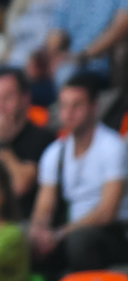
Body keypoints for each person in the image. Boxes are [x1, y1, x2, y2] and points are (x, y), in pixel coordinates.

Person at [29, 73, 128, 277]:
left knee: (80, 242)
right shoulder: (55, 152)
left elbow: (107, 212)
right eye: (64, 106)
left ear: (94, 107)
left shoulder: (113, 147)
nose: (69, 113)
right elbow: (44, 207)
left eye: (77, 105)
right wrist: (39, 232)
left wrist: (61, 233)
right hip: (70, 231)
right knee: (23, 240)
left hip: (112, 233)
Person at [0, 68, 55, 217]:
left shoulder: (43, 138)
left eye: (7, 97)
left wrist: (2, 144)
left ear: (25, 98)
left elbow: (20, 186)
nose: (0, 107)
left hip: (22, 222)